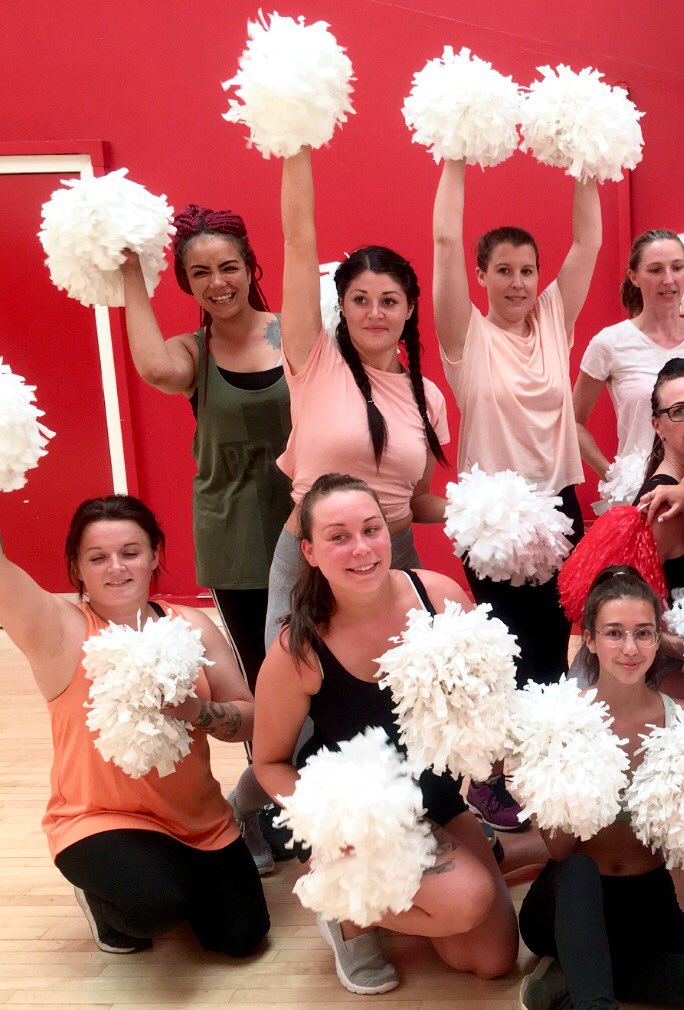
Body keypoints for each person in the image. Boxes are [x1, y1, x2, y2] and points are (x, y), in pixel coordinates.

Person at [253, 473, 518, 996]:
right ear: (308, 550)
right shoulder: (298, 649)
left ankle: (416, 889)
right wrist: (338, 822)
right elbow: (269, 763)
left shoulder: (438, 597)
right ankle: (343, 909)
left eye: (371, 529)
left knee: (489, 960)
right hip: (364, 822)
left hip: (436, 801)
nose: (361, 549)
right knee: (464, 901)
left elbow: (491, 700)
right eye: (338, 536)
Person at [0, 494, 269, 956]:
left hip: (200, 821)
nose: (116, 568)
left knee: (242, 938)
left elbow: (249, 719)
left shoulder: (191, 624)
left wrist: (194, 711)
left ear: (154, 556)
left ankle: (169, 873)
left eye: (130, 552)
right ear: (77, 567)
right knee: (155, 907)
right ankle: (107, 899)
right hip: (98, 819)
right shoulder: (55, 628)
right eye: (97, 557)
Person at [121, 205, 292, 871]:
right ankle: (256, 809)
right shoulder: (193, 354)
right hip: (236, 538)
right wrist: (133, 272)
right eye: (199, 273)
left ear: (251, 269)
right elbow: (153, 368)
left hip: (307, 530)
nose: (217, 282)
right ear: (187, 284)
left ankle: (313, 793)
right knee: (264, 679)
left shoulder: (292, 333)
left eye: (228, 267)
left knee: (322, 667)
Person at [431, 159, 601, 829]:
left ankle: (542, 764)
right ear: (481, 276)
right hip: (493, 513)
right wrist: (456, 156)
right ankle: (491, 779)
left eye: (527, 269)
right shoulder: (465, 336)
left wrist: (587, 153)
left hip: (557, 505)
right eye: (503, 269)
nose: (518, 282)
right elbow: (445, 241)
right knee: (507, 646)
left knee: (556, 639)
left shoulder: (554, 316)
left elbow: (586, 243)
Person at [264, 146, 450, 649]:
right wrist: (296, 139)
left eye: (389, 301)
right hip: (312, 562)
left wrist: (487, 508)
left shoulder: (428, 397)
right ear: (341, 307)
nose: (375, 313)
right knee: (298, 708)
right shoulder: (314, 358)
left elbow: (416, 500)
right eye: (360, 301)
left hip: (393, 559)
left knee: (403, 705)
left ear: (409, 309)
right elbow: (298, 241)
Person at [519, 566, 684, 1009]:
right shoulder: (559, 719)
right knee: (578, 870)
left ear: (657, 640)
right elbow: (557, 850)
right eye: (614, 633)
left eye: (643, 633)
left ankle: (569, 980)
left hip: (646, 901)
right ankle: (594, 999)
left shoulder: (679, 721)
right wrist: (569, 764)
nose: (630, 648)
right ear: (590, 639)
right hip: (569, 899)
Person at [574, 230, 684, 477]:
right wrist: (613, 476)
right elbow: (573, 422)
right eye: (655, 270)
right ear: (634, 277)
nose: (669, 279)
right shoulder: (610, 343)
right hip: (639, 496)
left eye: (677, 267)